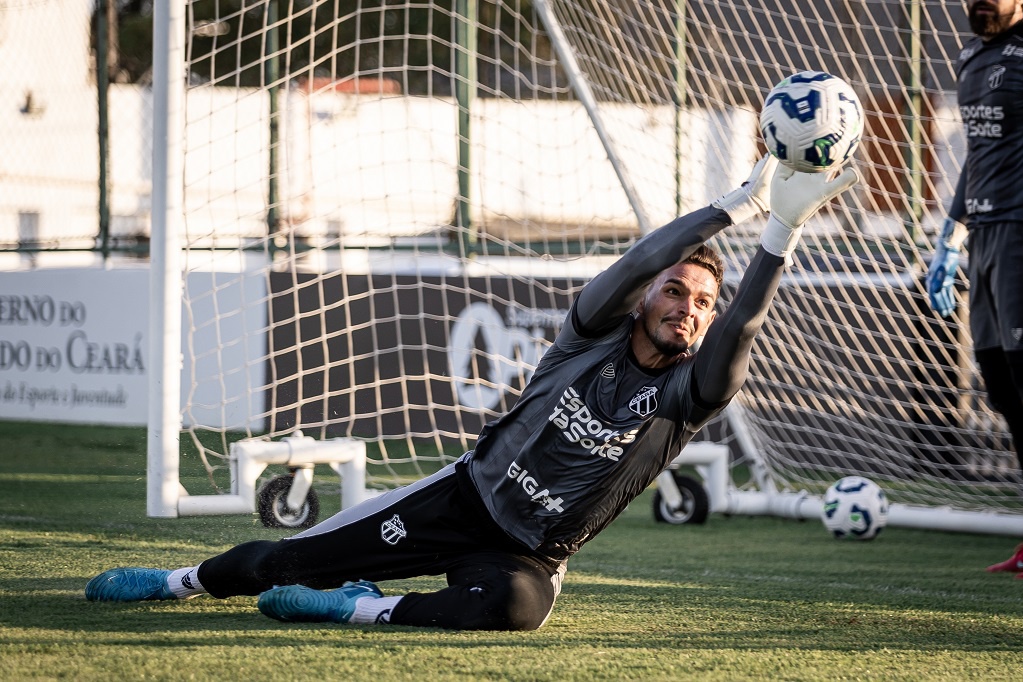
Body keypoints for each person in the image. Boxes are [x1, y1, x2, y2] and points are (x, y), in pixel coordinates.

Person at [85, 156, 857, 630]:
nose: (684, 306)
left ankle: (356, 609)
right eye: (673, 290)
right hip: (460, 499)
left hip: (531, 553)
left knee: (515, 612)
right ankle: (174, 582)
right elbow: (637, 258)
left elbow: (739, 335)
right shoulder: (587, 334)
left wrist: (779, 236)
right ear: (646, 297)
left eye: (698, 302)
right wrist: (741, 204)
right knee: (279, 563)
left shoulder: (690, 393)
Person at [923, 0, 1023, 574]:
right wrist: (950, 239)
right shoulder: (971, 53)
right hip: (983, 236)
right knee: (1005, 391)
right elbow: (979, 156)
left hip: (1021, 233)